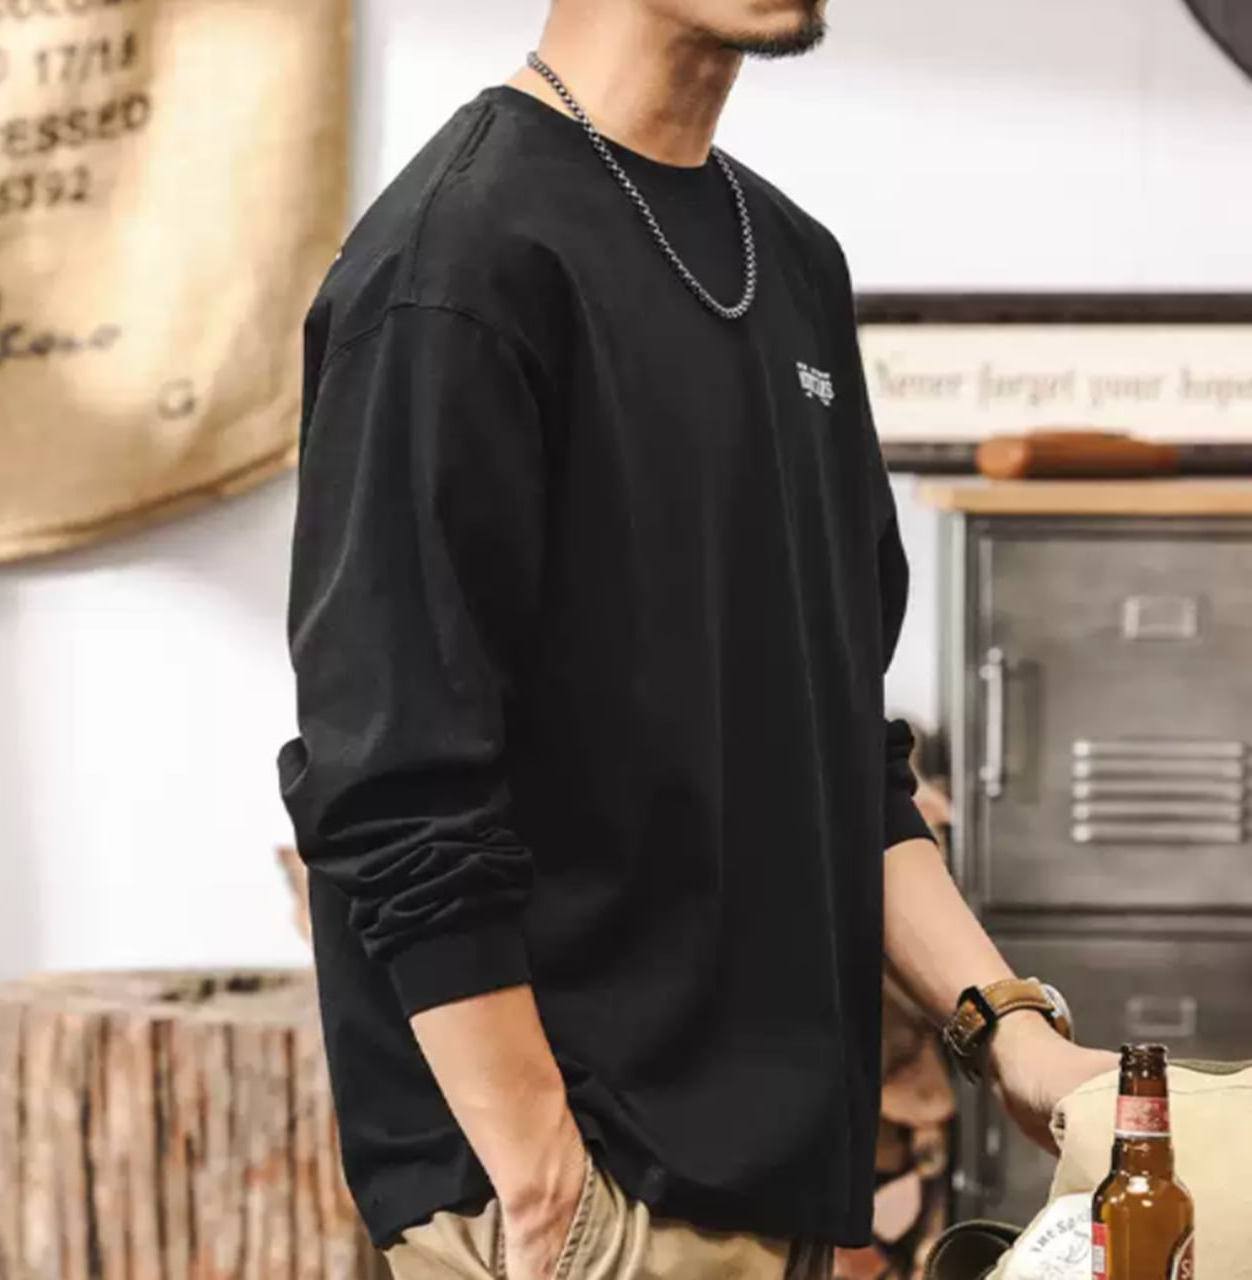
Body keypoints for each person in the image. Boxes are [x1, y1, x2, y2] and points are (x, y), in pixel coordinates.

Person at [276, 1, 1115, 1277]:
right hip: (582, 1200)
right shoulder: (453, 260)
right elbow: (390, 774)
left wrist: (1014, 1035)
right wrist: (543, 1178)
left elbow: (837, 749)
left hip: (782, 1191)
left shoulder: (791, 262)